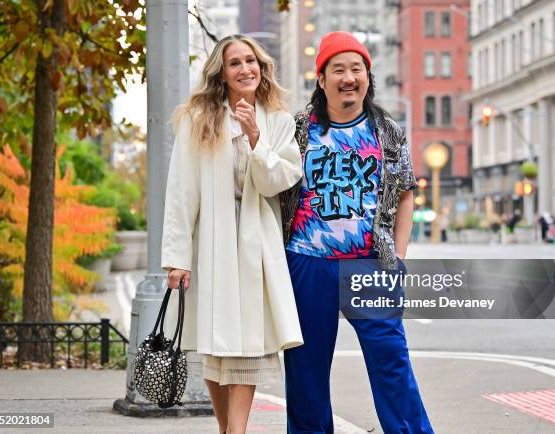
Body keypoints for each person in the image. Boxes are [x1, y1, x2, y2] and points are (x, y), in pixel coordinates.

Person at [280, 31, 433, 434]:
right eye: (338, 69)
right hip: (306, 262)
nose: (348, 77)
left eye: (357, 69)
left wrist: (397, 258)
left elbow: (405, 196)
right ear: (322, 78)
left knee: (391, 361)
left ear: (368, 75)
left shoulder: (387, 131)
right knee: (306, 369)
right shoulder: (297, 129)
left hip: (369, 263)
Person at [161, 34, 304, 434]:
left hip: (257, 244)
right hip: (210, 243)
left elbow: (280, 180)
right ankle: (227, 429)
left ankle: (236, 432)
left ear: (262, 67)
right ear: (221, 74)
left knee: (247, 345)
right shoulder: (198, 118)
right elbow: (181, 190)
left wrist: (256, 137)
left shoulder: (278, 120)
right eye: (235, 63)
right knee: (215, 345)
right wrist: (177, 259)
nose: (245, 69)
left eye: (251, 61)